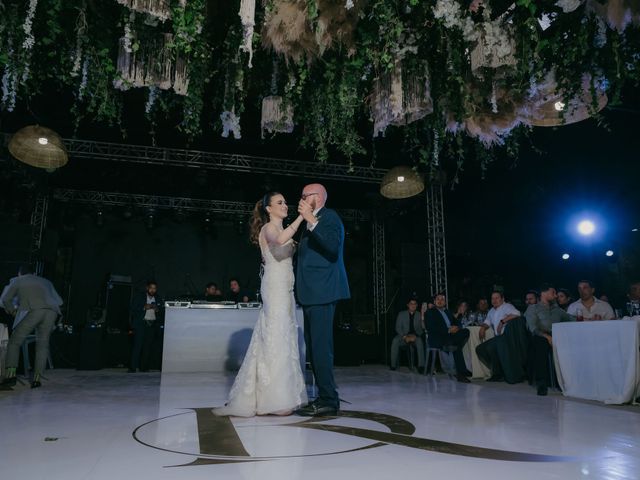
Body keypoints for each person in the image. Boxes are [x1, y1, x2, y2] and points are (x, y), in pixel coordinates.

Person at [213, 192, 307, 417]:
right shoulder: (269, 229)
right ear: (268, 209)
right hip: (274, 287)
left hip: (286, 288)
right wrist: (302, 218)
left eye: (285, 202)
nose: (285, 205)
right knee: (276, 336)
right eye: (280, 203)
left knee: (283, 335)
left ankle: (281, 394)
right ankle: (273, 399)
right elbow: (280, 240)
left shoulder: (284, 231)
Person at [295, 183, 351, 416]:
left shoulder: (329, 217)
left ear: (317, 198)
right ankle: (323, 396)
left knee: (321, 348)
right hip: (311, 293)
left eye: (305, 195)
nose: (301, 198)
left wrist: (311, 219)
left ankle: (329, 398)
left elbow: (332, 246)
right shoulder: (309, 222)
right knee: (314, 348)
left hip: (323, 291)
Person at [0, 264, 63, 388]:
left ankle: (10, 376)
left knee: (14, 341)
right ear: (34, 273)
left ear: (20, 273)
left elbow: (5, 299)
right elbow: (60, 301)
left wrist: (12, 311)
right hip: (52, 312)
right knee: (42, 345)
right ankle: (36, 379)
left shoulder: (17, 280)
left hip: (35, 311)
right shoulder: (46, 282)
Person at [525, 284, 574, 396]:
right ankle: (542, 383)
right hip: (540, 336)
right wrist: (547, 337)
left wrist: (589, 319)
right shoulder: (533, 308)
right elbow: (533, 328)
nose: (556, 295)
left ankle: (567, 381)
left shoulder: (557, 310)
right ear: (544, 293)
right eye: (553, 293)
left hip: (557, 336)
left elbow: (571, 318)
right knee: (540, 343)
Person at [424, 292, 472, 383]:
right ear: (434, 301)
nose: (440, 301)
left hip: (450, 337)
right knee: (456, 346)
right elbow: (431, 328)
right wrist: (448, 330)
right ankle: (460, 373)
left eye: (442, 299)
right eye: (438, 299)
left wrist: (457, 327)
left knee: (466, 331)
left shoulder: (447, 311)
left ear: (445, 302)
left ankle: (460, 370)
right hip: (438, 337)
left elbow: (456, 322)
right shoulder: (429, 312)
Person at [476, 291, 521, 381]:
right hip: (498, 338)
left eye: (497, 298)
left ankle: (498, 374)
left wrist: (502, 321)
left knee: (490, 348)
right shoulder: (492, 311)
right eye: (492, 298)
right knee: (480, 349)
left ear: (502, 299)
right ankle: (498, 371)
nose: (494, 300)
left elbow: (517, 313)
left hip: (507, 337)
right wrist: (482, 328)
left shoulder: (507, 306)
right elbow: (487, 322)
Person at [129, 280, 164, 373]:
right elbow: (132, 308)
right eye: (151, 288)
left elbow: (162, 311)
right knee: (137, 346)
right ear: (147, 288)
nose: (153, 290)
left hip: (151, 324)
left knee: (147, 347)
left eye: (154, 288)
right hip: (141, 324)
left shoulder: (158, 298)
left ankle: (144, 367)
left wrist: (157, 309)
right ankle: (133, 367)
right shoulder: (140, 297)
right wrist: (144, 307)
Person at [389, 298, 425, 373]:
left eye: (415, 304)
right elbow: (397, 327)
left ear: (417, 305)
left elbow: (422, 329)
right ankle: (393, 365)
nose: (413, 305)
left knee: (420, 341)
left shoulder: (419, 314)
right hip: (403, 336)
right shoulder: (401, 314)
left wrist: (422, 319)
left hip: (415, 336)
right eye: (411, 304)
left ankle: (421, 366)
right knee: (395, 340)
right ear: (408, 305)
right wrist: (404, 336)